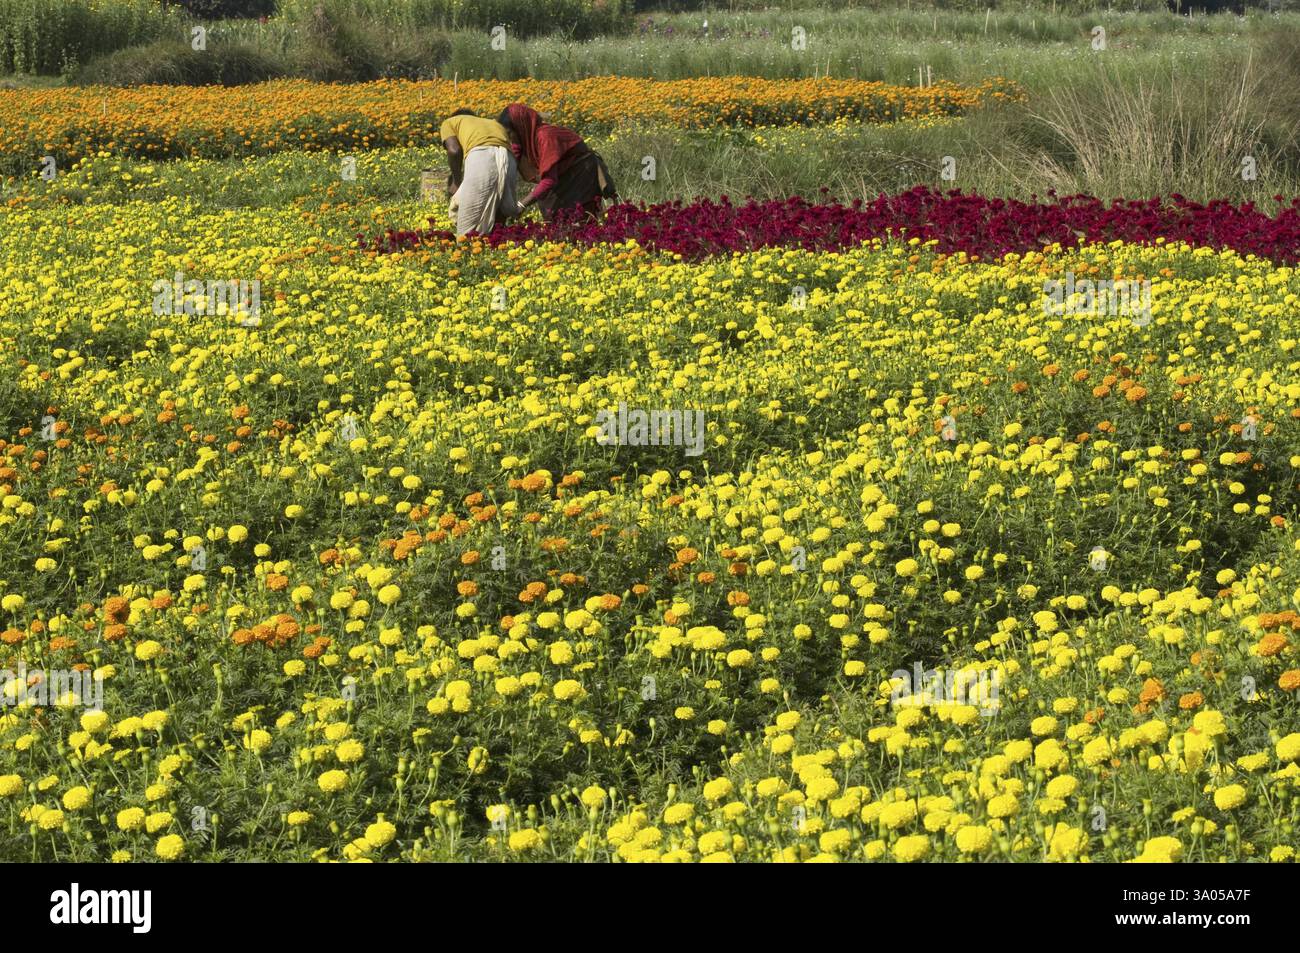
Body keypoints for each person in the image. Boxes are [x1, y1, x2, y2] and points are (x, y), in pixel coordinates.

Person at [497, 103, 618, 223]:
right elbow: (513, 156)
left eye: (509, 134)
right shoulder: (524, 139)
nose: (509, 138)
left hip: (581, 173)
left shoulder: (546, 137)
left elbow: (548, 180)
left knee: (578, 216)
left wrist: (521, 205)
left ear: (520, 128)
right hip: (564, 173)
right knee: (554, 213)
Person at [439, 108, 519, 236]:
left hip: (481, 156)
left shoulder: (449, 122)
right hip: (509, 159)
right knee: (499, 216)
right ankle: (497, 248)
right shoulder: (493, 123)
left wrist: (456, 181)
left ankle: (468, 252)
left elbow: (454, 150)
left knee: (467, 231)